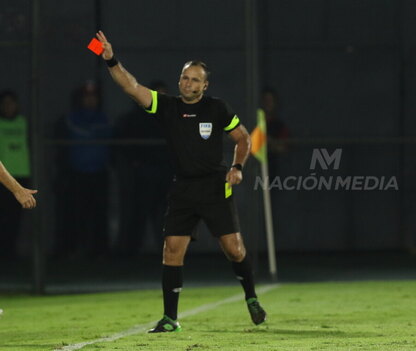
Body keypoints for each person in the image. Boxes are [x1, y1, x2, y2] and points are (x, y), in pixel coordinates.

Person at [95, 30, 266, 332]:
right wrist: (110, 59)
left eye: (195, 79)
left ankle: (251, 297)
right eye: (185, 78)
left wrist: (238, 166)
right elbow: (132, 87)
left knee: (234, 250)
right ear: (180, 81)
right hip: (183, 189)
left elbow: (242, 138)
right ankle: (170, 319)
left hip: (215, 186)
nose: (189, 83)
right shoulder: (168, 107)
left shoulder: (217, 108)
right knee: (171, 249)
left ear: (205, 85)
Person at [53, 81, 112, 258]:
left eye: (93, 97)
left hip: (99, 174)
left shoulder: (103, 118)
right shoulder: (70, 119)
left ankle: (99, 251)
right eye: (87, 97)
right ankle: (70, 250)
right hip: (76, 175)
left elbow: (106, 133)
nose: (90, 100)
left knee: (99, 215)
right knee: (74, 214)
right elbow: (78, 134)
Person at [115, 81, 171, 255]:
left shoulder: (171, 118)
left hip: (166, 173)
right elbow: (124, 145)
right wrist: (135, 163)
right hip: (143, 174)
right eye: (157, 94)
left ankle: (168, 252)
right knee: (138, 213)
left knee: (166, 215)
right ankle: (131, 252)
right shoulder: (135, 119)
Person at [0, 91, 35, 258]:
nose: (8, 107)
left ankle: (9, 253)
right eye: (5, 103)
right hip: (3, 179)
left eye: (11, 103)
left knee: (14, 219)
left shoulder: (23, 123)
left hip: (21, 176)